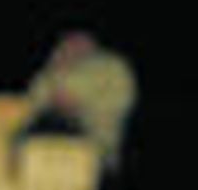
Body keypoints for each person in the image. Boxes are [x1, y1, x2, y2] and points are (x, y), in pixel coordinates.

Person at [20, 30, 137, 172]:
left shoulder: (112, 66)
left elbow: (121, 101)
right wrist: (58, 69)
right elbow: (34, 100)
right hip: (50, 138)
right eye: (69, 40)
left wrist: (81, 106)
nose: (73, 44)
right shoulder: (54, 66)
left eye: (79, 40)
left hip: (93, 141)